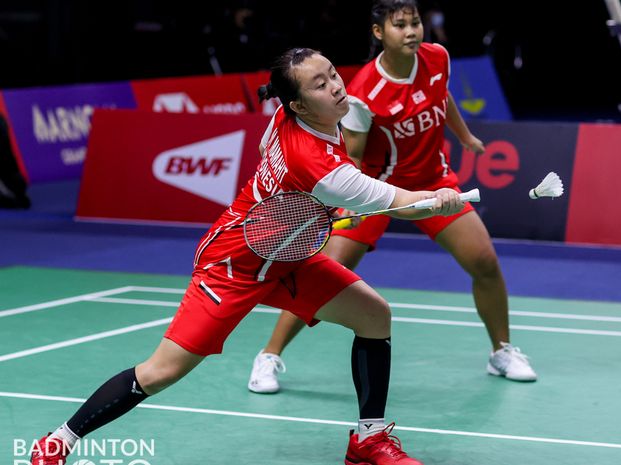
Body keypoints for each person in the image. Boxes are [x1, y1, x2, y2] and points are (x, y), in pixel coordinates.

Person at [29, 48, 466, 465]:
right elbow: (399, 201)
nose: (336, 86)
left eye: (333, 73)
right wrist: (439, 198)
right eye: (320, 84)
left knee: (374, 315)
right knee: (160, 372)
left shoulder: (285, 117)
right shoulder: (319, 164)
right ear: (298, 104)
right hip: (233, 263)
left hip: (288, 255)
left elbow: (265, 155)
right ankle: (58, 440)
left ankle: (368, 439)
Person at [248, 0, 537, 395]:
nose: (412, 31)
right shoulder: (364, 92)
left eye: (415, 22)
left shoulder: (437, 57)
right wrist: (348, 199)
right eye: (399, 25)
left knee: (484, 261)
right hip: (377, 193)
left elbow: (442, 96)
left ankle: (501, 351)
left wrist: (464, 135)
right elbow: (352, 153)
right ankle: (269, 355)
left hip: (435, 184)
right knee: (326, 273)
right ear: (379, 33)